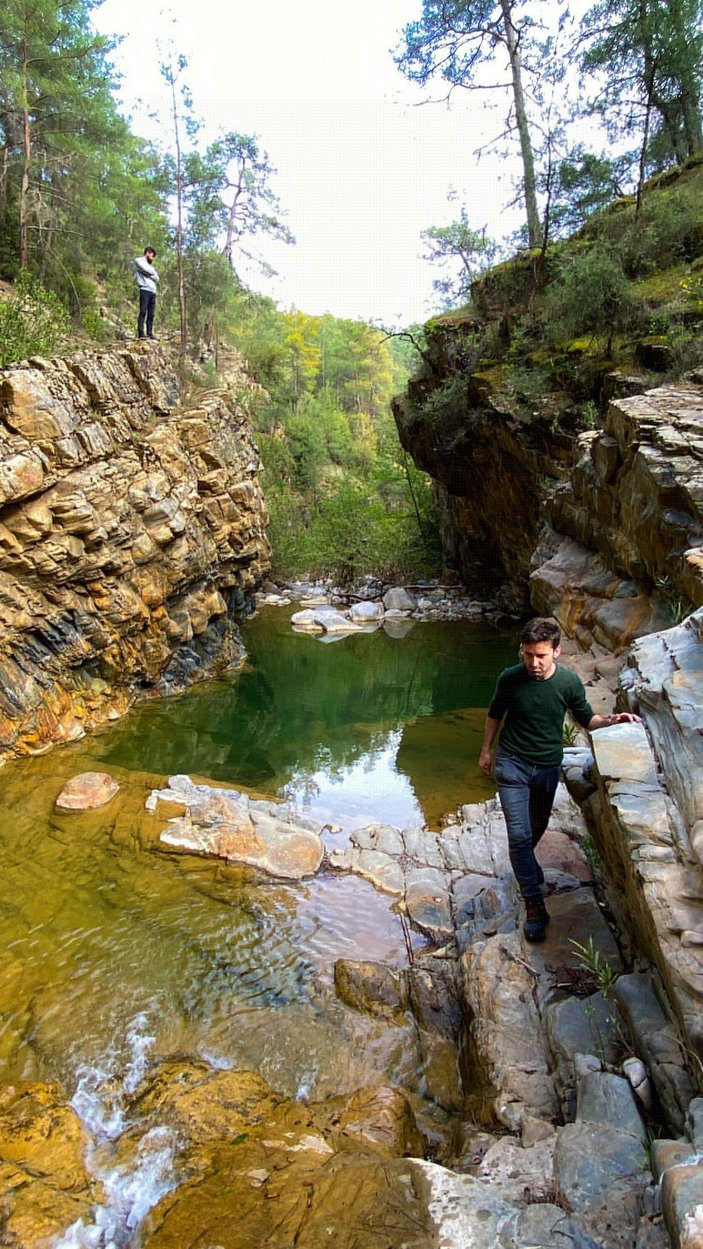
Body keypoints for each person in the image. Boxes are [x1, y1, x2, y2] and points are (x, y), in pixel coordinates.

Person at [479, 616, 642, 942]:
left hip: (547, 768)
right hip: (511, 765)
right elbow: (495, 713)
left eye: (540, 655)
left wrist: (612, 720)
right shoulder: (510, 679)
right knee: (520, 836)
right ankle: (535, 905)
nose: (534, 663)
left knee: (535, 829)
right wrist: (486, 751)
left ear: (556, 651)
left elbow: (586, 719)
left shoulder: (567, 683)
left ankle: (527, 866)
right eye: (528, 655)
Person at [135, 247, 159, 340]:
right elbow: (149, 272)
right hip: (144, 289)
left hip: (153, 291)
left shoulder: (151, 266)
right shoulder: (138, 261)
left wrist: (148, 273)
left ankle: (150, 333)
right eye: (152, 256)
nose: (152, 259)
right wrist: (149, 273)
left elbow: (157, 278)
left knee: (151, 314)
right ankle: (141, 333)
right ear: (148, 253)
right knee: (143, 311)